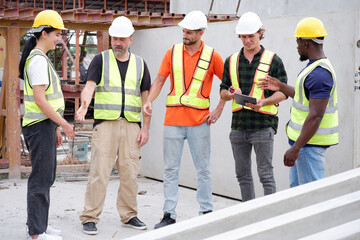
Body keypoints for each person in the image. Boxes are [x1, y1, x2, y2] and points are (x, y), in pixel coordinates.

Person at [143, 10, 225, 229]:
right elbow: (160, 80)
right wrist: (149, 100)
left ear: (201, 32)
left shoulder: (212, 55)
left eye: (189, 32)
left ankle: (206, 213)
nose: (185, 34)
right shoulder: (172, 53)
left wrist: (219, 108)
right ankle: (168, 214)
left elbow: (227, 85)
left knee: (203, 170)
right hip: (173, 121)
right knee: (170, 170)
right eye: (183, 31)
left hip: (200, 122)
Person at [77, 16, 151, 235]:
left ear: (131, 39)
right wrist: (83, 105)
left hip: (131, 126)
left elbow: (146, 99)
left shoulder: (140, 64)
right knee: (99, 172)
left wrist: (145, 128)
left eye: (122, 39)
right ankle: (90, 217)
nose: (117, 43)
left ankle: (129, 215)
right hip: (105, 126)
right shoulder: (100, 60)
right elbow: (89, 87)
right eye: (114, 38)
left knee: (130, 173)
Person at [258, 17, 338, 187]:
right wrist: (280, 86)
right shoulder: (313, 67)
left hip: (309, 146)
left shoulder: (320, 74)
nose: (297, 46)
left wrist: (296, 149)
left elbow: (316, 115)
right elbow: (304, 97)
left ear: (306, 43)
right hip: (303, 144)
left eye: (298, 41)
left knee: (311, 197)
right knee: (298, 194)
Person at [19, 10, 75, 240]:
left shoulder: (40, 58)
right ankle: (36, 232)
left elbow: (49, 99)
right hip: (38, 126)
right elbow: (41, 100)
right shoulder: (38, 61)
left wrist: (57, 128)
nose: (59, 39)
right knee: (40, 179)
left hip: (45, 127)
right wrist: (64, 123)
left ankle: (40, 225)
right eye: (57, 34)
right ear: (44, 33)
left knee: (46, 177)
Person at [220, 12, 288, 202]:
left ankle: (269, 216)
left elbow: (284, 92)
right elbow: (222, 92)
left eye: (251, 35)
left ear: (260, 33)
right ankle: (248, 215)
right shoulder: (231, 61)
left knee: (265, 175)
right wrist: (231, 94)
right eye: (243, 36)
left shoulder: (274, 60)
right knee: (242, 176)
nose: (247, 40)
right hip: (239, 126)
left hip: (263, 125)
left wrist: (264, 102)